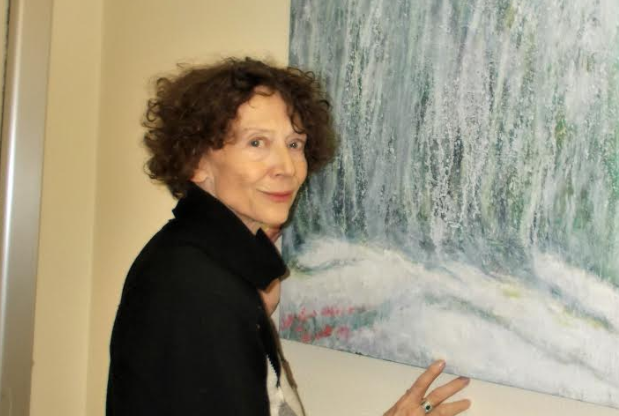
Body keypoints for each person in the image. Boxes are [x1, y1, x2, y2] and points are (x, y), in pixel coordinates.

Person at [106, 57, 471, 416]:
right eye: (256, 143)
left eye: (294, 144)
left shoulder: (201, 262)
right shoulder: (197, 288)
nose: (286, 167)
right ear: (196, 161)